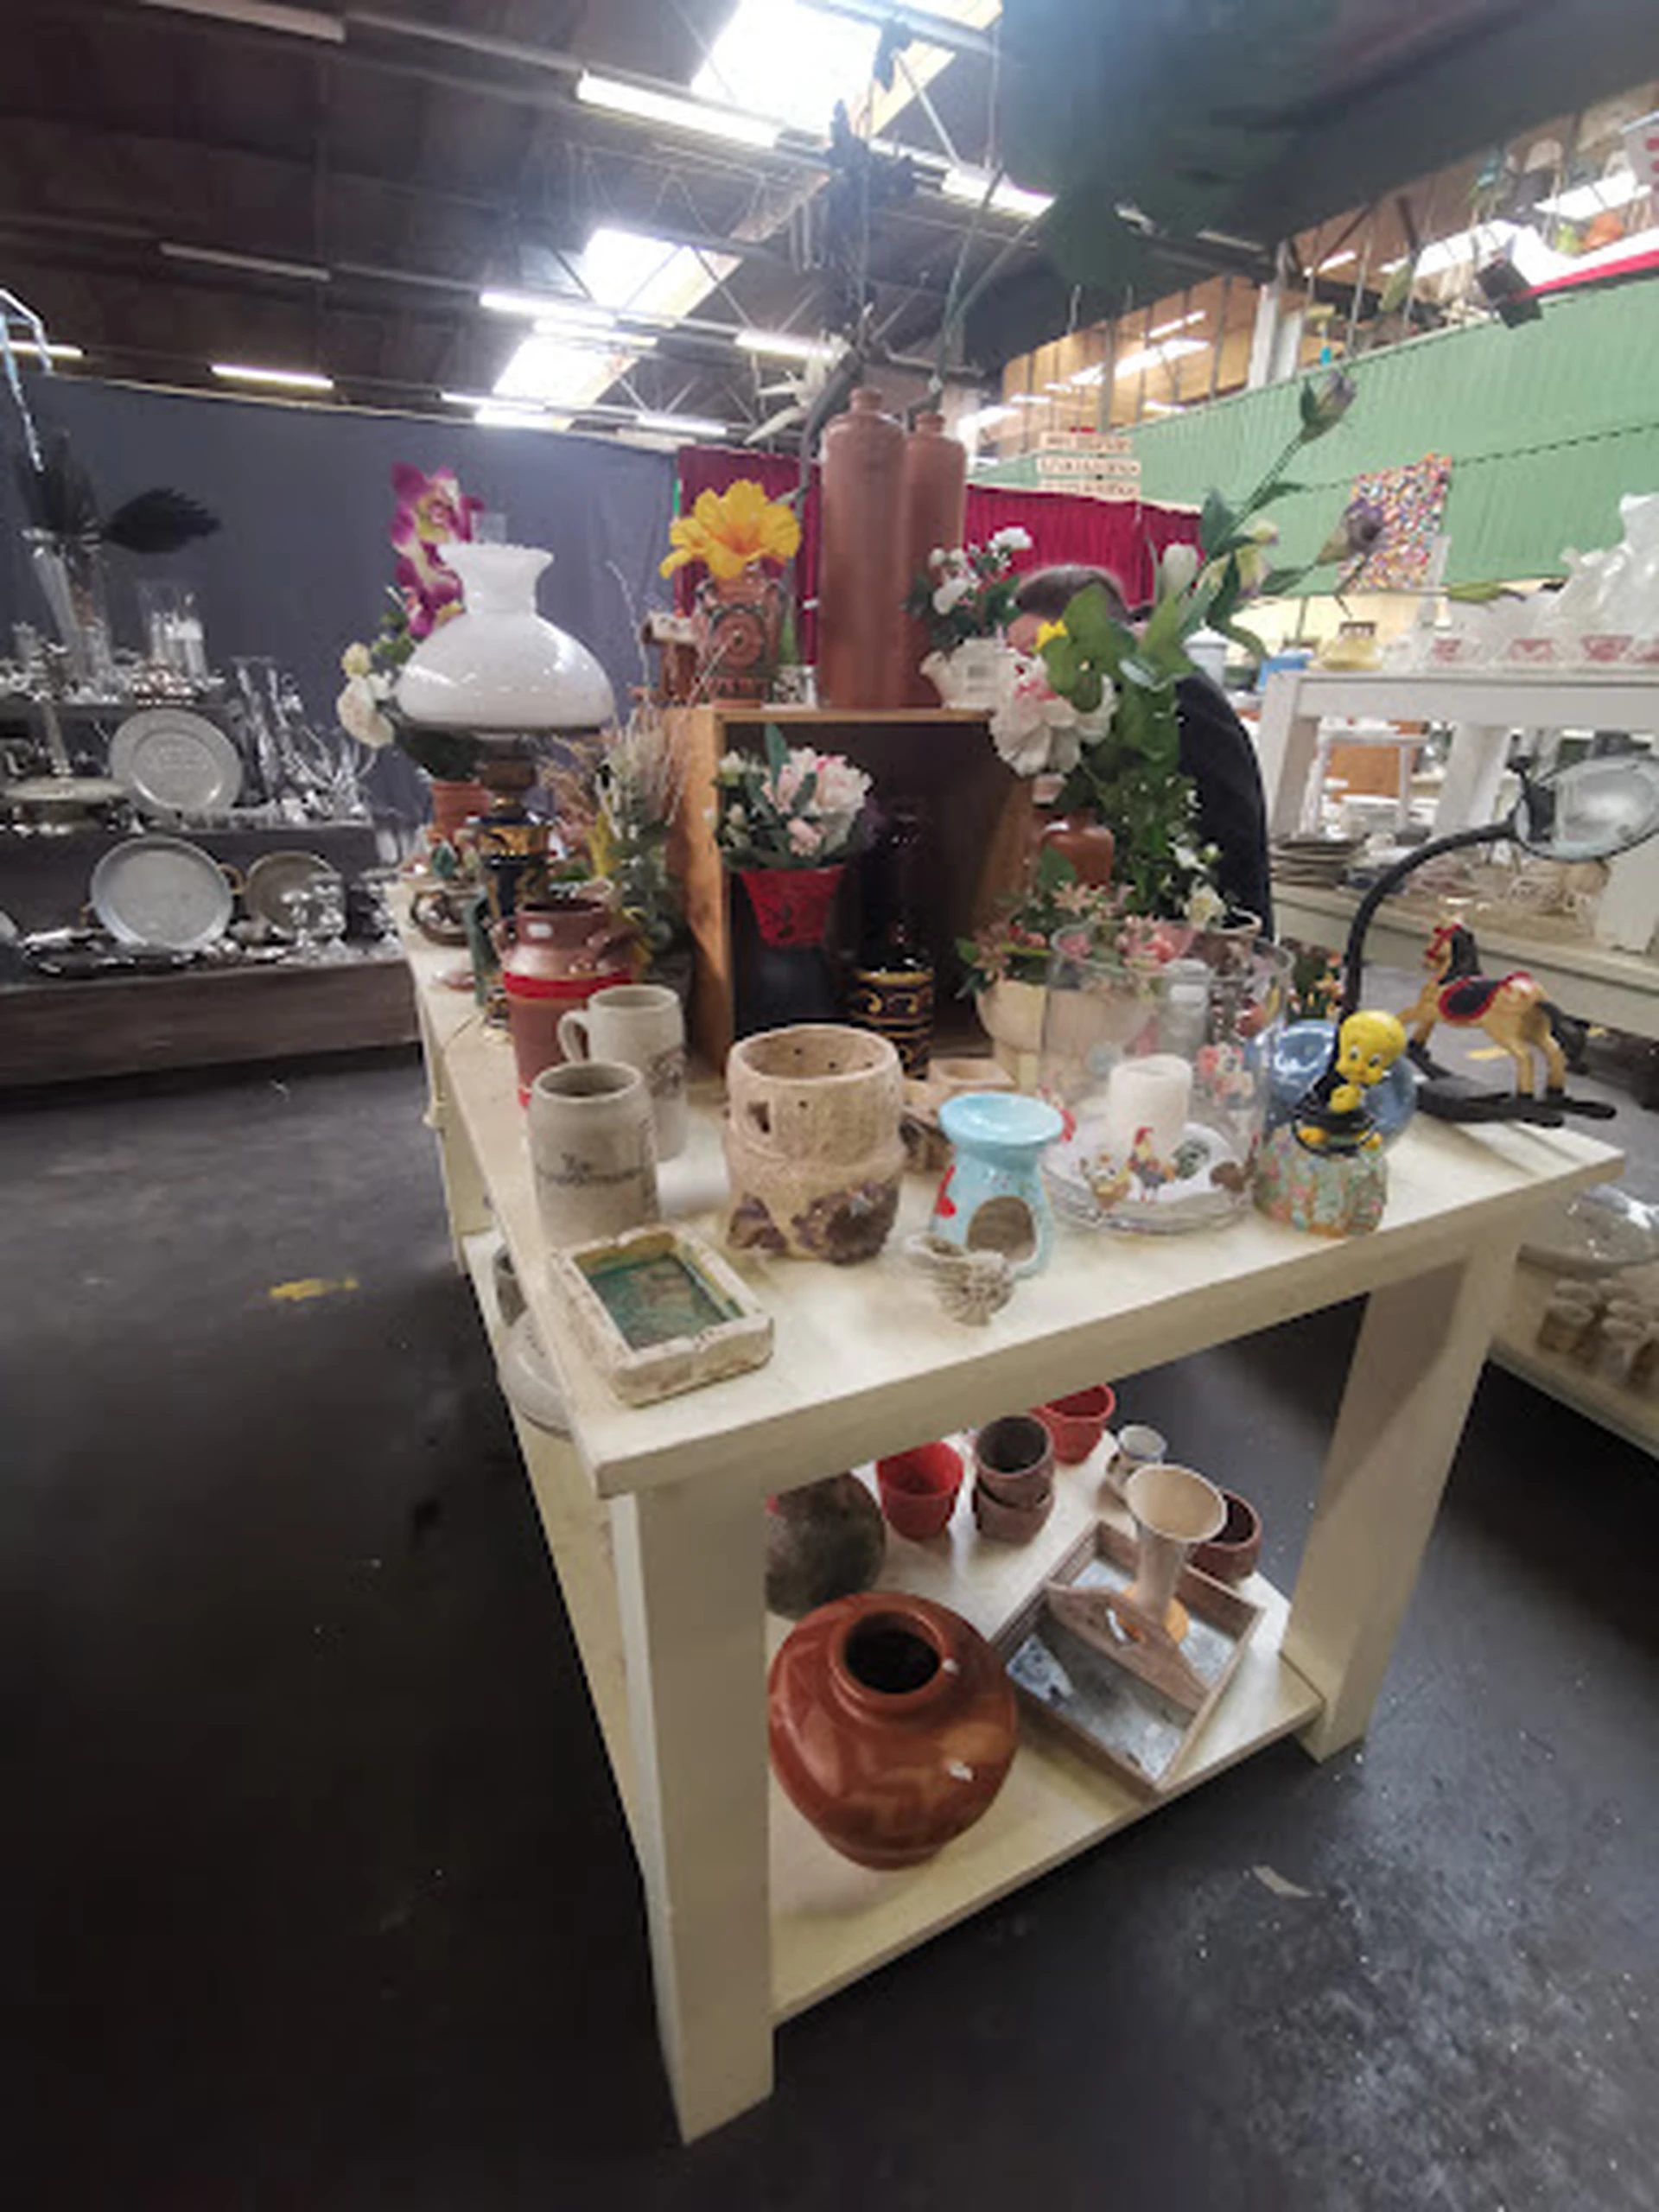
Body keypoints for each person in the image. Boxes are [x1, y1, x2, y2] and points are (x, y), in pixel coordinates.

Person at [1007, 563, 1274, 932]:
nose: (1031, 674)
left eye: (1038, 653)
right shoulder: (1106, 698)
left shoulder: (1175, 694)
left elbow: (1224, 846)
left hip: (1204, 930)